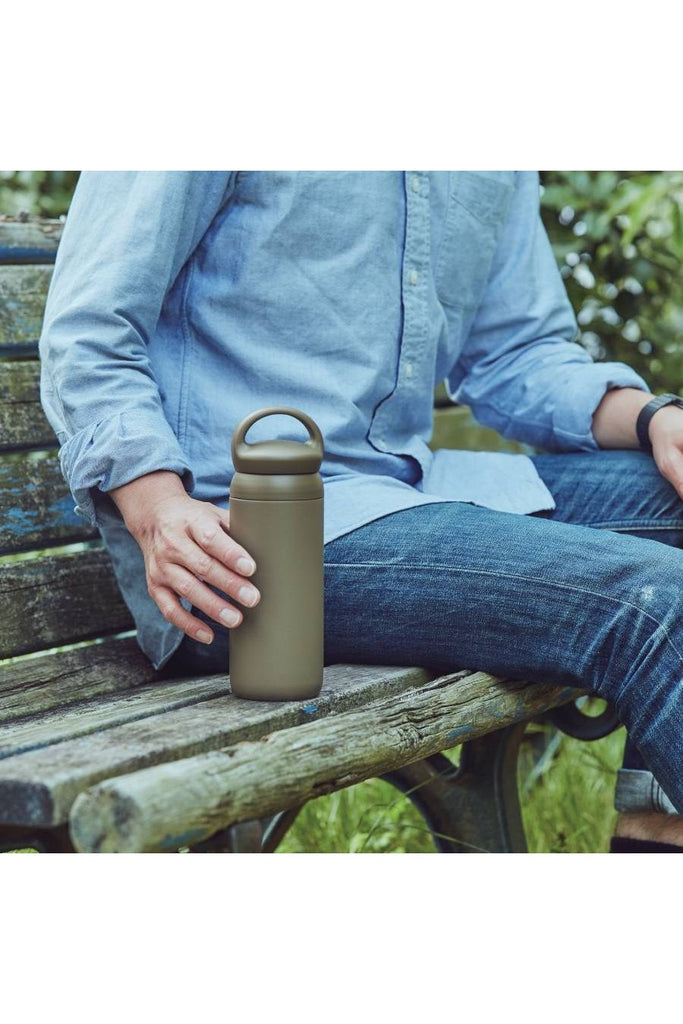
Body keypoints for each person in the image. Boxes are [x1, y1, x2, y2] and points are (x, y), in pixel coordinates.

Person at [38, 171, 683, 851]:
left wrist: (652, 419)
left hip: (404, 493)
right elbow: (88, 330)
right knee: (652, 604)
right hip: (240, 545)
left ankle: (658, 826)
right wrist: (157, 506)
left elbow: (515, 355)